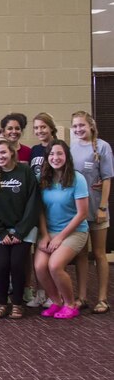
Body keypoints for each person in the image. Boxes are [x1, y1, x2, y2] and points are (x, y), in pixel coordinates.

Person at [0, 138, 39, 319]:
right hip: (1, 231)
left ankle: (18, 303)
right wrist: (1, 232)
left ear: (12, 152)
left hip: (24, 229)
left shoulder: (25, 171)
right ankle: (1, 302)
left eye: (3, 152)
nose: (0, 156)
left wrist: (20, 232)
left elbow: (33, 203)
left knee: (18, 265)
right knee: (3, 265)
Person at [35, 140, 89, 320]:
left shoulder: (77, 178)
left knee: (55, 265)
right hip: (49, 231)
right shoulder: (43, 178)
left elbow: (82, 214)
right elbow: (40, 210)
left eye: (59, 154)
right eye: (51, 154)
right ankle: (56, 301)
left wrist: (60, 238)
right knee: (40, 267)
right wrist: (44, 235)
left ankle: (70, 303)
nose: (55, 158)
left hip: (74, 231)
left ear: (66, 157)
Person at [70, 111, 112, 314]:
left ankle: (103, 299)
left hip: (97, 209)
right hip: (78, 212)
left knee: (99, 253)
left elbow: (106, 179)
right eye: (75, 126)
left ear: (91, 126)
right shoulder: (72, 147)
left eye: (82, 125)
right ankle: (82, 297)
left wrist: (103, 207)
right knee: (80, 255)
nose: (78, 129)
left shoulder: (102, 147)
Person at [25, 112, 59, 309]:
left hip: (53, 200)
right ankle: (40, 291)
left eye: (43, 127)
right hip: (37, 201)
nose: (39, 131)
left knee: (51, 251)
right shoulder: (35, 150)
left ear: (51, 127)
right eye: (36, 128)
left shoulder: (59, 147)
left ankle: (53, 293)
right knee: (37, 248)